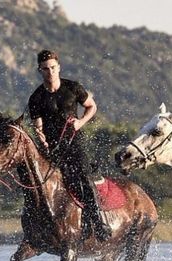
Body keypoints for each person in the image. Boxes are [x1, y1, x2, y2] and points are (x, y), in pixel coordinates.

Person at [28, 49, 112, 242]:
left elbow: (92, 106)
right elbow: (37, 126)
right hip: (53, 148)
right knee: (50, 182)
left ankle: (97, 222)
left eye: (53, 68)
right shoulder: (36, 98)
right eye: (46, 69)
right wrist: (41, 139)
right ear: (40, 70)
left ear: (59, 67)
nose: (50, 72)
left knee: (82, 176)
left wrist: (81, 122)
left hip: (74, 141)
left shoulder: (73, 88)